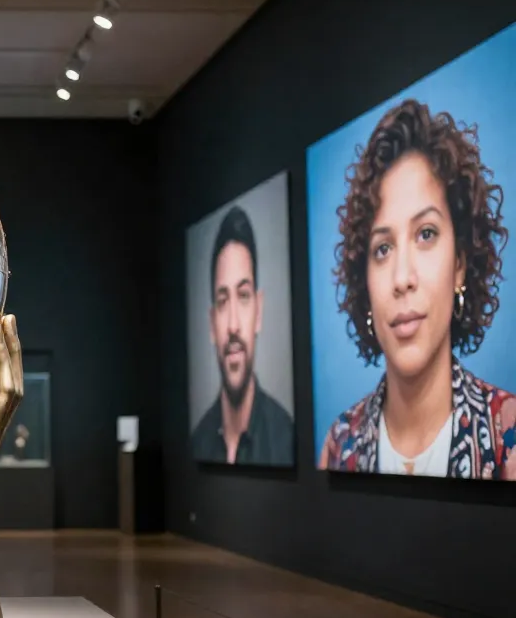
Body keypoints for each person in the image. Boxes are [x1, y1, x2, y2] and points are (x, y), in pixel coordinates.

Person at [320, 99, 514, 478]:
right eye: (382, 248)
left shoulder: (508, 436)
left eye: (426, 234)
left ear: (459, 264)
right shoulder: (339, 445)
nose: (402, 277)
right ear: (365, 283)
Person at [191, 206, 295, 465]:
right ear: (212, 324)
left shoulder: (288, 439)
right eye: (223, 301)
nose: (234, 325)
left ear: (258, 313)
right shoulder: (196, 442)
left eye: (244, 296)